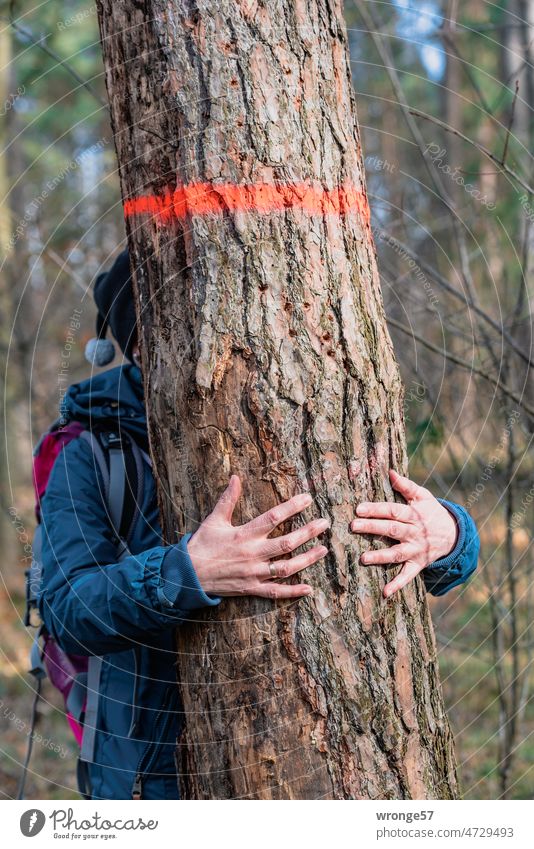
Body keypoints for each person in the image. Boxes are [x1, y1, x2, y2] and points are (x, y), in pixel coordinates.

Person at [38, 250, 479, 800]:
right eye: (168, 324)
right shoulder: (92, 453)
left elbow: (426, 557)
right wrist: (186, 572)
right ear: (136, 347)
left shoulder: (328, 404)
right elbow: (65, 611)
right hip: (152, 781)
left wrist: (451, 535)